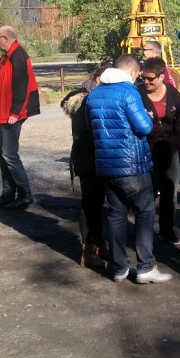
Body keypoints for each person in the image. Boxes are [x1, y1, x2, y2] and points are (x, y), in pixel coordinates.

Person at [86, 54, 171, 284]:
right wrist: (148, 116)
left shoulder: (94, 94)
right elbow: (143, 127)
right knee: (145, 212)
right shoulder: (128, 91)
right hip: (131, 164)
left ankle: (119, 268)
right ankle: (145, 267)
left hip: (105, 165)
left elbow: (90, 126)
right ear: (133, 73)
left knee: (116, 214)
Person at [0, 25, 40, 212]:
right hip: (6, 111)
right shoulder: (9, 56)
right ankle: (8, 194)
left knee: (9, 153)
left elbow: (22, 86)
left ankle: (25, 195)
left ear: (6, 38)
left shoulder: (18, 55)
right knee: (3, 153)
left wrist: (15, 113)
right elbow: (6, 80)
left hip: (12, 113)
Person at [61, 64, 109, 268]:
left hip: (92, 157)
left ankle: (98, 244)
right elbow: (85, 137)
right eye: (103, 81)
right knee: (90, 203)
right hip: (89, 159)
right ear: (96, 80)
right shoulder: (84, 102)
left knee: (96, 203)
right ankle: (89, 250)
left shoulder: (89, 98)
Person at [138, 56, 180, 246]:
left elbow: (179, 124)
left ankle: (167, 231)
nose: (146, 82)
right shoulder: (138, 94)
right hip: (146, 150)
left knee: (170, 193)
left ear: (161, 77)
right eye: (144, 78)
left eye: (150, 79)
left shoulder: (173, 94)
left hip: (169, 150)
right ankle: (145, 234)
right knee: (147, 194)